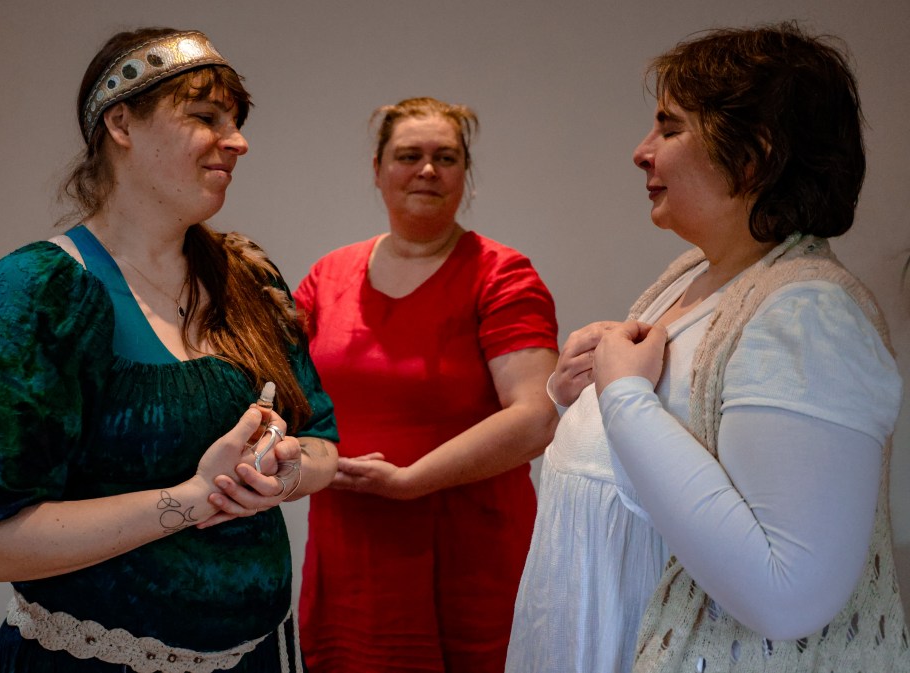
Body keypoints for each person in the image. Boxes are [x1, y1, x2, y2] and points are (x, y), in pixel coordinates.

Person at [0, 27, 339, 673]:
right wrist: (198, 496)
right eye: (205, 117)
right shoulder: (39, 293)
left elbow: (323, 443)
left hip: (259, 655)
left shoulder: (247, 277)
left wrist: (285, 471)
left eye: (236, 122)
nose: (238, 142)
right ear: (120, 124)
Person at [507, 22, 908, 673]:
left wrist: (624, 395)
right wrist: (575, 391)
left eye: (669, 129)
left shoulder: (809, 316)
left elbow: (786, 593)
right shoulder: (694, 275)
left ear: (752, 157)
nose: (641, 152)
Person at [294, 97, 559, 672]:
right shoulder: (327, 277)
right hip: (351, 557)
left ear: (465, 173)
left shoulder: (502, 275)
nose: (428, 170)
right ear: (378, 170)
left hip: (469, 558)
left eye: (447, 157)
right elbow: (285, 396)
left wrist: (412, 481)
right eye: (409, 155)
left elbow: (536, 416)